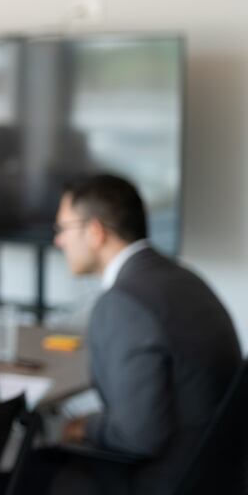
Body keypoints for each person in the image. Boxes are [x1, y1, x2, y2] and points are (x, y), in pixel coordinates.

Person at [28, 173, 241, 495]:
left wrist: (81, 426)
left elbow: (137, 435)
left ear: (95, 231)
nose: (58, 241)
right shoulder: (185, 279)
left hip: (162, 480)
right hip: (219, 473)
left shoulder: (123, 304)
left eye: (63, 229)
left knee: (28, 470)